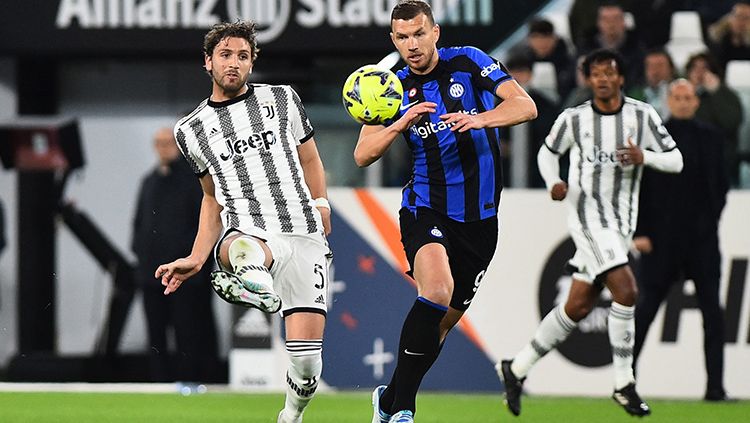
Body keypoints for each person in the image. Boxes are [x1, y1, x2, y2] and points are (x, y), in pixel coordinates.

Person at [354, 2, 537, 422]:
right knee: (435, 291)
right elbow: (363, 154)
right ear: (393, 40)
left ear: (435, 32)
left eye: (418, 34)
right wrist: (400, 123)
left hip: (480, 219)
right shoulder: (391, 86)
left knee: (439, 324)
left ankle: (388, 398)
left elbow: (525, 107)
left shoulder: (469, 62)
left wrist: (480, 119)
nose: (411, 45)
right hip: (426, 206)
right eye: (402, 37)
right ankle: (402, 410)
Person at [154, 21, 332, 423]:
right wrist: (198, 257)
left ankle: (291, 414)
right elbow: (211, 198)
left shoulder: (283, 99)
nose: (234, 63)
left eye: (243, 56)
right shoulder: (191, 130)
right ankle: (254, 279)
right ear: (208, 61)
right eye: (225, 55)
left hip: (304, 233)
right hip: (250, 226)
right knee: (246, 247)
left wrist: (321, 203)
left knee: (306, 368)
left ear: (252, 62)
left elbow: (310, 160)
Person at [498, 49, 684, 418]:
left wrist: (646, 157)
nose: (601, 79)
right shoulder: (574, 119)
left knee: (578, 305)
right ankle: (623, 383)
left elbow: (676, 160)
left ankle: (516, 367)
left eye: (608, 73)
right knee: (627, 290)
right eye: (594, 73)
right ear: (587, 79)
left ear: (620, 79)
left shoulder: (641, 116)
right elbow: (547, 153)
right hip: (587, 218)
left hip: (621, 223)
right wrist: (554, 181)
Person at [632, 79, 730, 402]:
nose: (684, 102)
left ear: (696, 102)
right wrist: (641, 232)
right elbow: (640, 189)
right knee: (644, 312)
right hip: (660, 241)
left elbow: (721, 186)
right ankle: (625, 384)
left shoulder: (713, 139)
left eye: (689, 97)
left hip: (702, 241)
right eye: (678, 97)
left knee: (714, 317)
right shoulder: (653, 138)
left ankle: (715, 388)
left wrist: (708, 222)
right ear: (669, 101)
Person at [132, 127, 219, 383]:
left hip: (187, 277)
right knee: (156, 334)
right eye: (158, 142)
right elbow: (139, 224)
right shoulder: (149, 181)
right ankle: (160, 383)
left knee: (189, 332)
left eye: (168, 142)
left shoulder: (195, 181)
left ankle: (189, 382)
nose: (163, 147)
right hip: (152, 275)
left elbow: (206, 224)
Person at [685, 52, 744, 186]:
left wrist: (716, 93)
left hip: (722, 159)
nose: (699, 73)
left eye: (704, 68)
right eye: (695, 68)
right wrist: (690, 94)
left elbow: (731, 123)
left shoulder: (727, 95)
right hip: (690, 159)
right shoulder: (681, 96)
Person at [578, 2, 645, 89]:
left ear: (623, 22)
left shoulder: (637, 47)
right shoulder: (587, 47)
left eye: (615, 19)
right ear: (599, 23)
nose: (611, 24)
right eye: (606, 20)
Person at [507, 18, 576, 100]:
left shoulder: (569, 62)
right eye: (536, 37)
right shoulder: (520, 63)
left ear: (554, 38)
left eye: (545, 37)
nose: (541, 42)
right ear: (529, 40)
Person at [627, 48, 677, 119]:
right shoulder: (636, 95)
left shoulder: (680, 92)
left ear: (671, 69)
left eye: (660, 65)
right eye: (651, 66)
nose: (655, 71)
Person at [708, 0, 750, 70]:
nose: (741, 22)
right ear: (730, 18)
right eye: (738, 16)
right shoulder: (717, 40)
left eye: (746, 18)